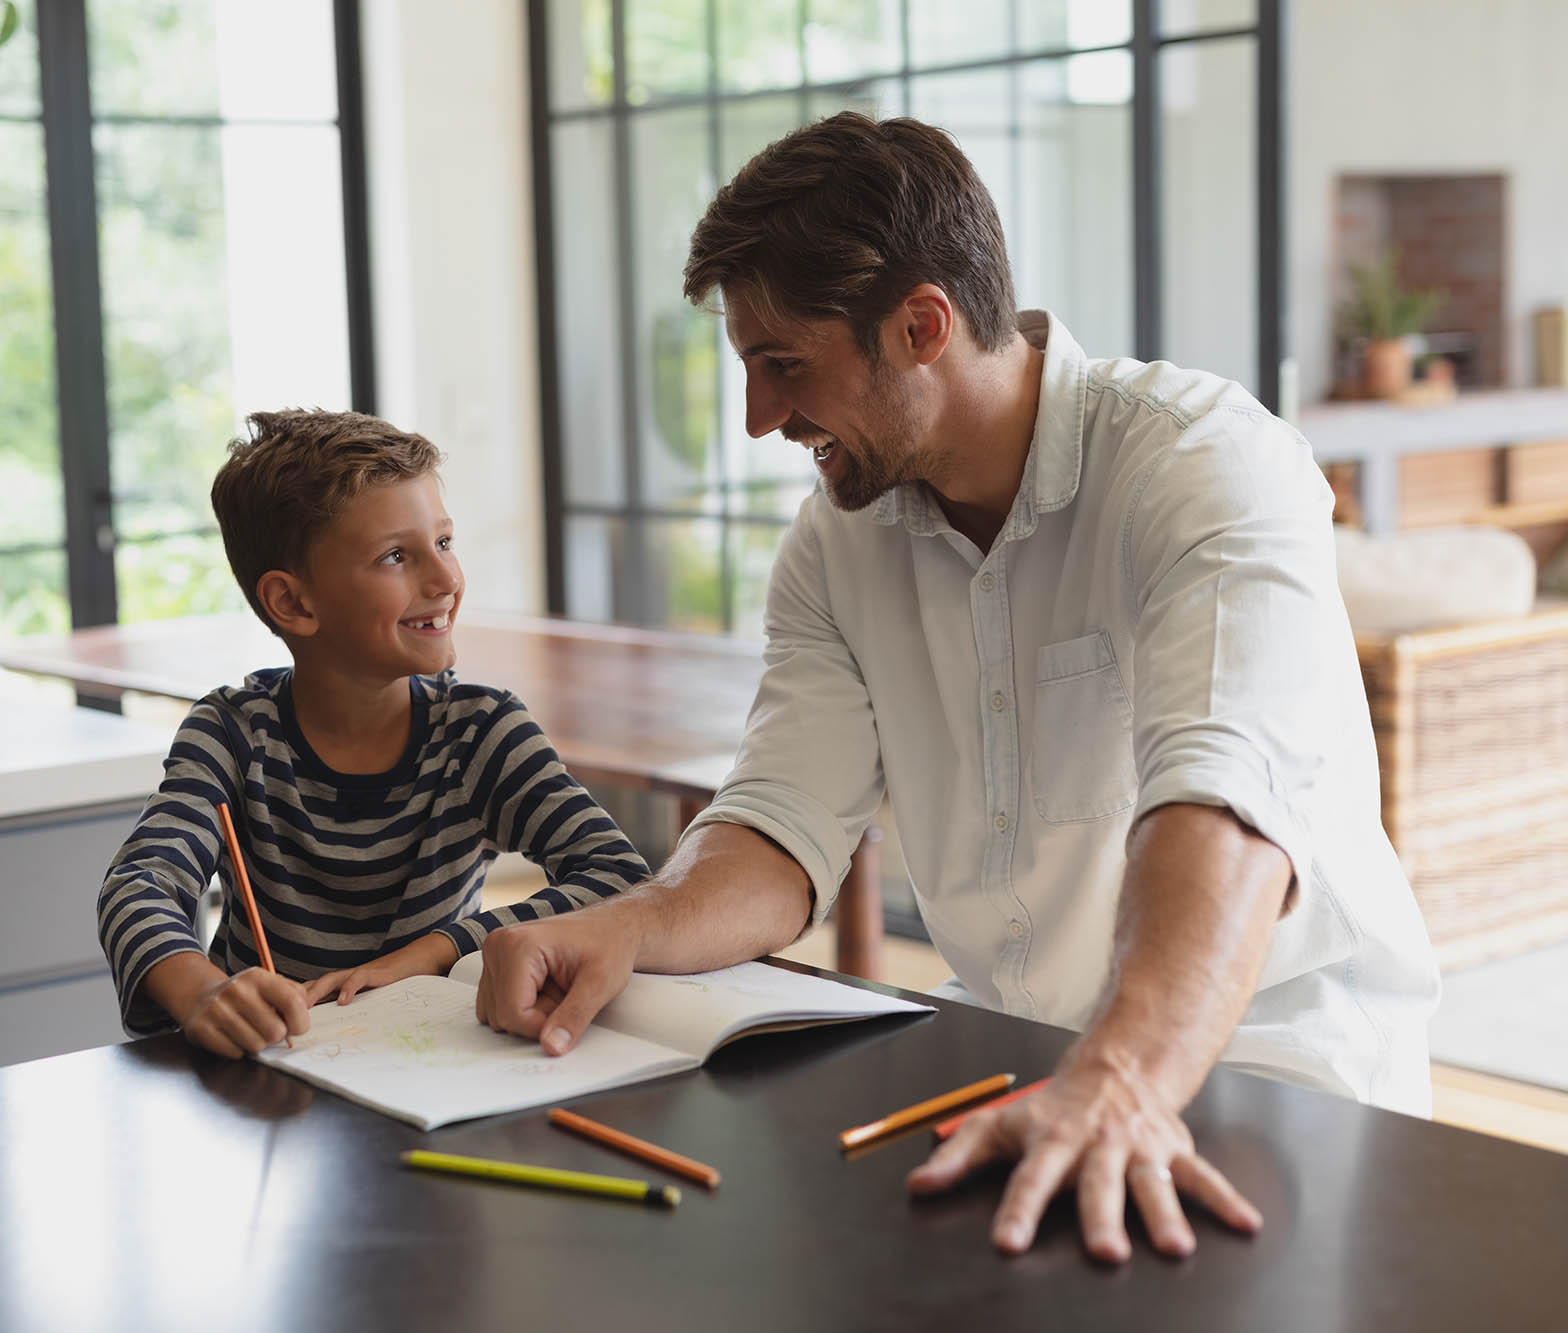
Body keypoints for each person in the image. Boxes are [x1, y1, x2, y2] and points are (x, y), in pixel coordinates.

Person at [473, 114, 1440, 1263]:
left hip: (1279, 1081)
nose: (758, 418)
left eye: (783, 364)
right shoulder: (832, 547)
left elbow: (1223, 805)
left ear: (921, 325)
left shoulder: (1201, 464)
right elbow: (780, 829)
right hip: (1022, 1070)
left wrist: (1120, 1075)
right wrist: (628, 923)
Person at [97, 408, 648, 1058]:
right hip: (278, 1069)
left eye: (444, 542)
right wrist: (200, 991)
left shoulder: (479, 730)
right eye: (396, 556)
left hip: (437, 1061)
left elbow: (618, 874)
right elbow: (139, 884)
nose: (445, 580)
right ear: (294, 603)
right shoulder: (231, 734)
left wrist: (435, 951)